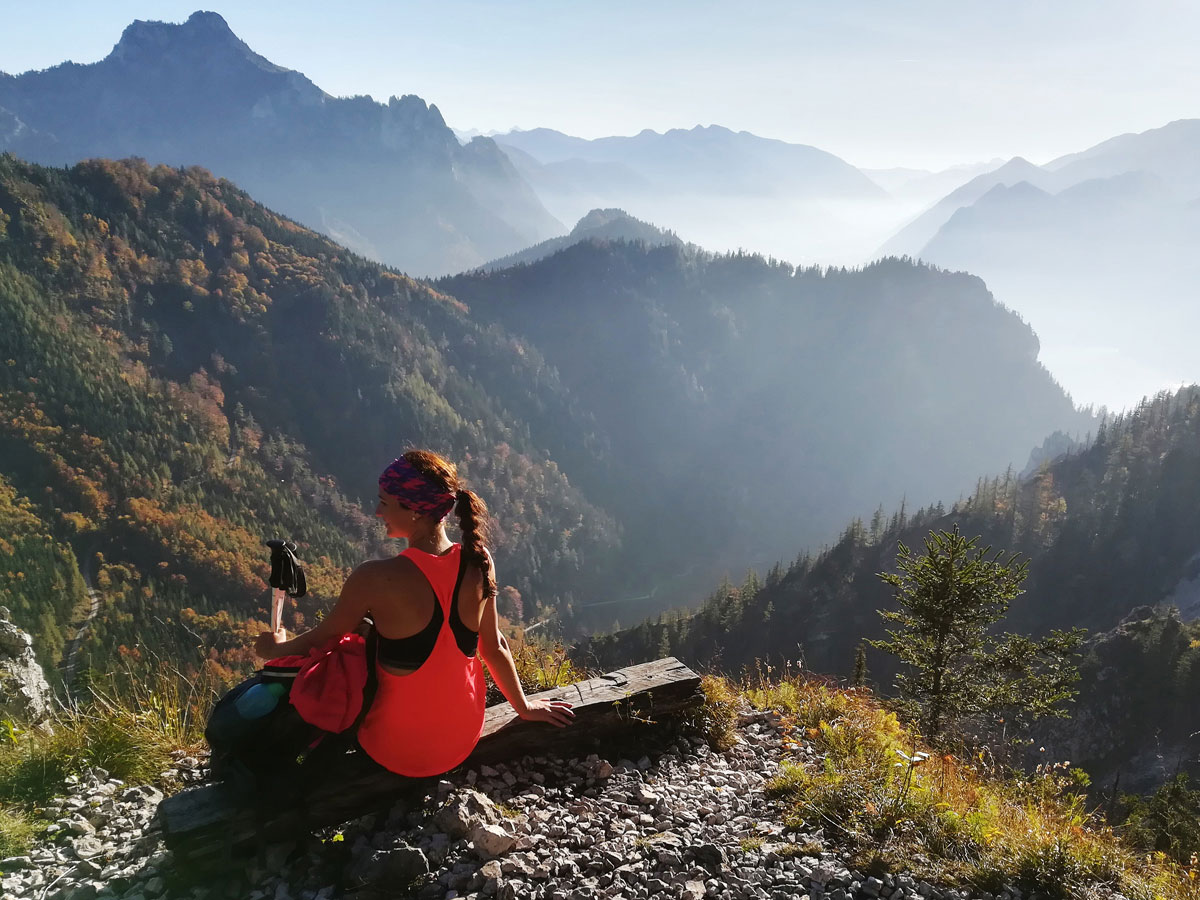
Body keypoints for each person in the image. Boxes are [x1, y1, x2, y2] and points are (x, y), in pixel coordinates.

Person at [254, 449, 574, 777]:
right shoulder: (480, 560)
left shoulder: (374, 578)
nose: (378, 511)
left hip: (393, 748)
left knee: (359, 637)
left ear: (416, 511)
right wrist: (524, 707)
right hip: (461, 739)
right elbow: (494, 647)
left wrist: (273, 649)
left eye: (385, 502)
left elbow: (324, 638)